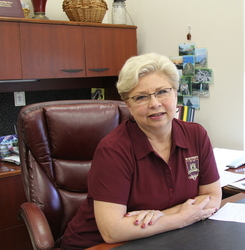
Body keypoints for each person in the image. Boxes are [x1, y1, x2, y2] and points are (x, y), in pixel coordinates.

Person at [61, 53, 222, 249]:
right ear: (128, 104)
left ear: (176, 92)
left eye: (162, 91)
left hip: (156, 238)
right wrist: (181, 218)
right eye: (141, 97)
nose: (154, 104)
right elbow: (112, 231)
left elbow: (213, 197)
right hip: (98, 245)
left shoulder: (196, 135)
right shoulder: (113, 150)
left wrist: (164, 215)